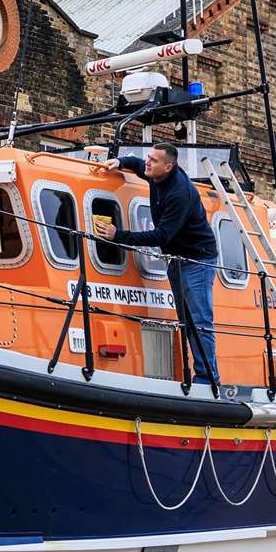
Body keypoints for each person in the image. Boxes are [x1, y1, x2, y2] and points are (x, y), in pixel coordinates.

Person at [95, 141, 222, 389]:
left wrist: (117, 235)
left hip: (198, 259)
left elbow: (162, 235)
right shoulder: (157, 173)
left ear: (169, 166)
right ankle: (199, 375)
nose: (148, 163)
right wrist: (121, 162)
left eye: (153, 160)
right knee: (186, 319)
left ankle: (208, 380)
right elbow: (138, 165)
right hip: (176, 259)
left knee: (200, 321)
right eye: (149, 158)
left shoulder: (179, 193)